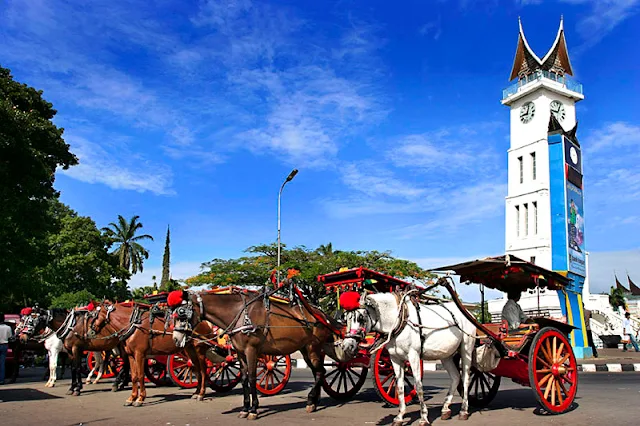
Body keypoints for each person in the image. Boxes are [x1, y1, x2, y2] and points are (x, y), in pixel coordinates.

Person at [0, 313, 15, 385]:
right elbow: (10, 337)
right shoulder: (8, 327)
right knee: (2, 363)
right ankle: (1, 380)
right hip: (4, 345)